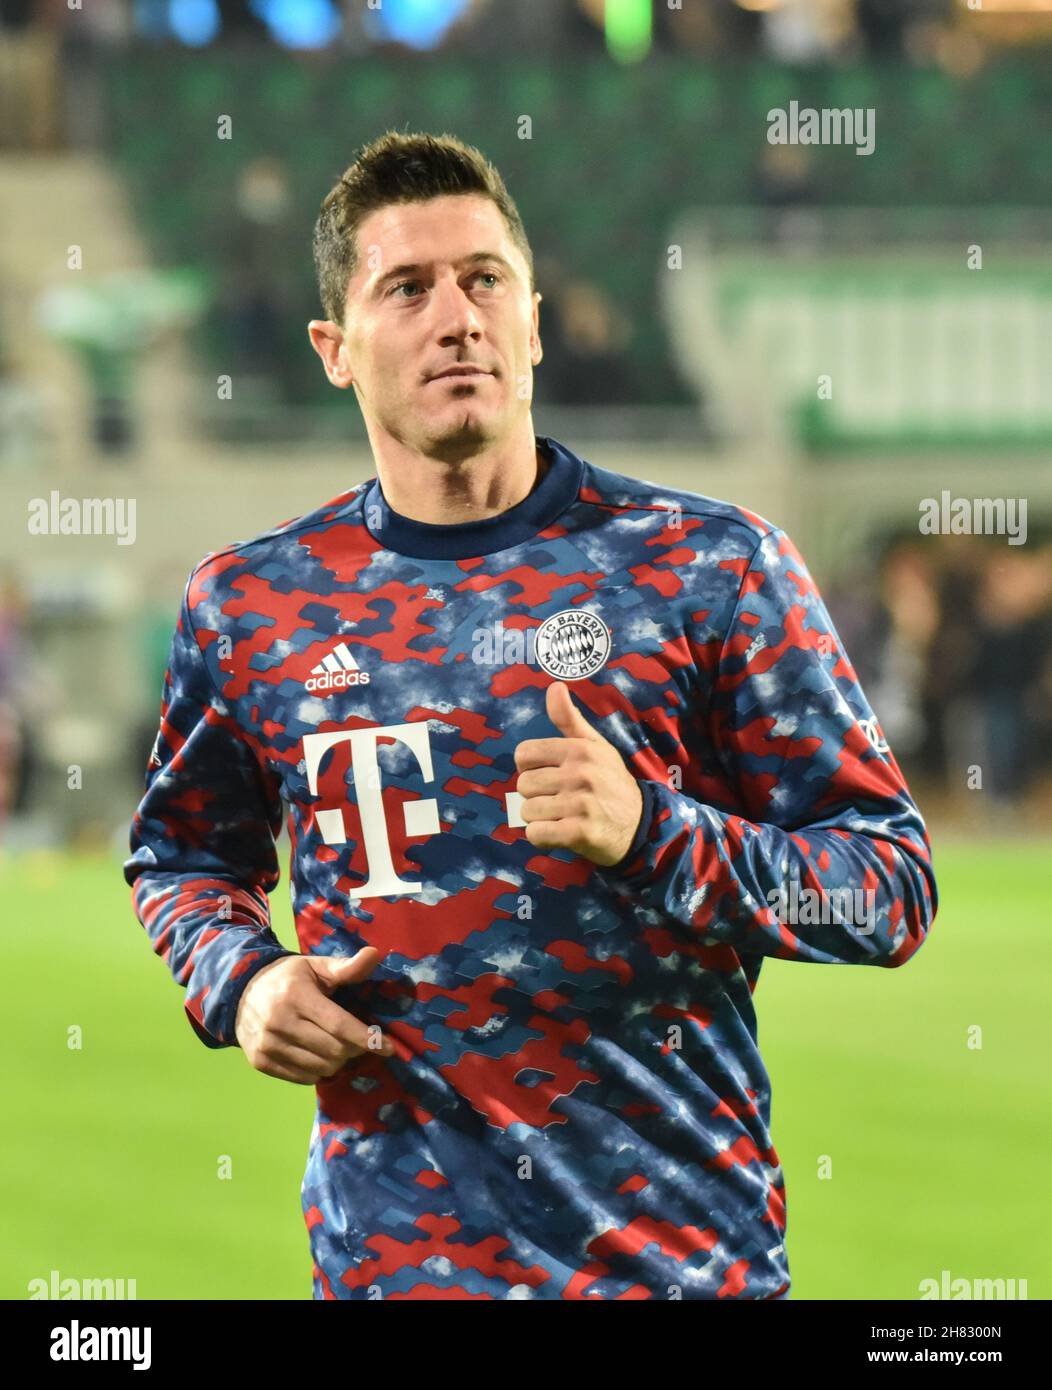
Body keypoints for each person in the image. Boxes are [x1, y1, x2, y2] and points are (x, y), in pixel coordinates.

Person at [124, 131, 937, 1301]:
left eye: (483, 279)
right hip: (391, 1275)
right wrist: (242, 979)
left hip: (674, 1267)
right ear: (333, 350)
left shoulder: (707, 567)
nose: (455, 316)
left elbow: (884, 885)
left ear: (535, 323)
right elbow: (181, 854)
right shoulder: (251, 604)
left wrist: (657, 834)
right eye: (405, 288)